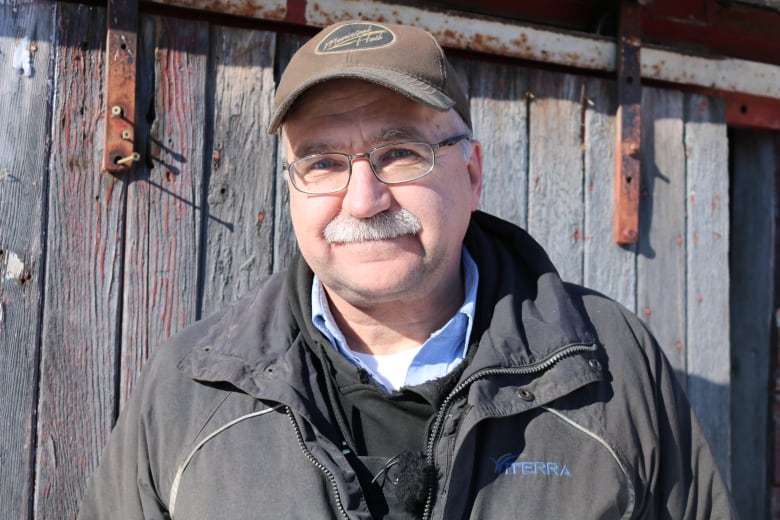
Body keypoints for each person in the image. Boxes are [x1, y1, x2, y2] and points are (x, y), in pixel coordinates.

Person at [78, 20, 736, 519]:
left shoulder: (613, 371)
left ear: (472, 172)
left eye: (400, 152)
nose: (363, 199)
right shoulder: (191, 391)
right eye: (324, 163)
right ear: (290, 188)